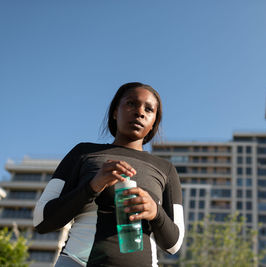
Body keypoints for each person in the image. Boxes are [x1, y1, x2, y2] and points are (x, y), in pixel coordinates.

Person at [33, 82, 184, 267]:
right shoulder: (83, 152)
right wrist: (92, 187)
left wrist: (155, 212)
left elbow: (174, 245)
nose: (140, 112)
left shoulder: (166, 169)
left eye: (149, 109)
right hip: (77, 262)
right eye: (131, 103)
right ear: (114, 112)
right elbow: (41, 220)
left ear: (154, 122)